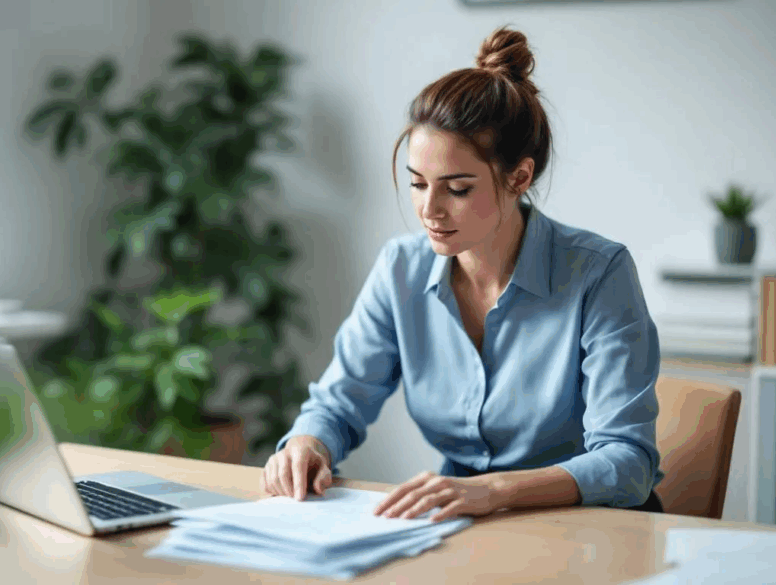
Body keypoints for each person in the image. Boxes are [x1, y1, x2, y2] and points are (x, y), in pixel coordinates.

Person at [260, 26, 664, 521]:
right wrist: (307, 444)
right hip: (463, 522)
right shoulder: (401, 270)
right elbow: (339, 403)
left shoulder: (599, 274)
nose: (429, 209)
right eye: (417, 183)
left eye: (457, 188)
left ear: (518, 178)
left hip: (588, 528)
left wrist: (494, 490)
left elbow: (627, 462)